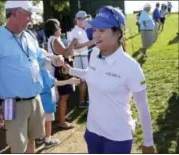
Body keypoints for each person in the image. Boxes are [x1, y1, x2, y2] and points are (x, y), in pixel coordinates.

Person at [63, 6, 155, 154]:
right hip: (92, 132)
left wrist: (148, 143)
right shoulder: (94, 53)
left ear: (118, 33)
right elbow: (91, 74)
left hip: (118, 137)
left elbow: (143, 107)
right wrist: (71, 70)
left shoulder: (131, 67)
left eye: (102, 30)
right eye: (95, 30)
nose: (96, 35)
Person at [0, 1, 64, 153]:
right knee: (18, 148)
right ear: (16, 13)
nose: (31, 19)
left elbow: (39, 56)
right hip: (11, 103)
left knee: (32, 140)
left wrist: (53, 58)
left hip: (36, 99)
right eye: (28, 15)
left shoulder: (29, 36)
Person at [44, 18, 78, 129]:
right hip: (61, 70)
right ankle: (61, 121)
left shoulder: (51, 39)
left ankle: (61, 116)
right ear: (54, 28)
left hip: (58, 69)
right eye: (58, 26)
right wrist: (73, 41)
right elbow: (67, 54)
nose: (60, 28)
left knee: (63, 96)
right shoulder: (55, 40)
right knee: (64, 96)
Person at [39, 59, 80, 148]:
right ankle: (47, 140)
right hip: (46, 100)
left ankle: (39, 137)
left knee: (39, 120)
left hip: (37, 100)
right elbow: (54, 82)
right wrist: (68, 81)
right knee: (48, 120)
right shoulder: (44, 72)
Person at [70, 11, 96, 108]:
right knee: (82, 80)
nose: (86, 21)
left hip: (83, 57)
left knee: (84, 79)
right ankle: (81, 101)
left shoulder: (81, 30)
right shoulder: (75, 32)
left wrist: (90, 43)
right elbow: (74, 46)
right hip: (79, 57)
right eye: (85, 19)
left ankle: (84, 99)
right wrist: (90, 43)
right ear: (79, 20)